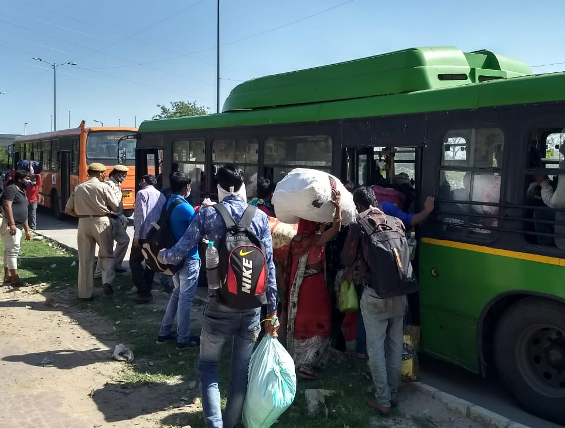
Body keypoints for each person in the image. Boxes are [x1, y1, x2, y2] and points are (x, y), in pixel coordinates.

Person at [157, 164, 278, 428]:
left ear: (219, 188)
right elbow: (269, 266)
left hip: (219, 305)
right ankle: (230, 423)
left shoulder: (208, 214)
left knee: (208, 366)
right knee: (240, 372)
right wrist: (273, 311)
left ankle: (215, 424)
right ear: (243, 186)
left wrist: (162, 255)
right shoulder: (260, 217)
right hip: (252, 306)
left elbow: (179, 252)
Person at [341, 186, 407, 415]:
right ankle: (394, 393)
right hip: (400, 292)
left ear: (358, 205)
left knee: (376, 348)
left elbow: (347, 257)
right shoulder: (396, 222)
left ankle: (383, 400)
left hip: (374, 293)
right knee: (395, 346)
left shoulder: (359, 223)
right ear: (376, 202)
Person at [286, 191, 342, 380]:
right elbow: (336, 228)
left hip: (300, 288)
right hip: (314, 286)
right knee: (319, 322)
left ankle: (299, 360)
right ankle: (308, 364)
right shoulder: (315, 240)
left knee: (303, 323)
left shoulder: (298, 240)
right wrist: (338, 208)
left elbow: (320, 232)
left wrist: (321, 223)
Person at [155, 172, 201, 346]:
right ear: (186, 187)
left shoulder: (169, 202)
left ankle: (164, 332)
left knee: (176, 294)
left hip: (174, 257)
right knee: (185, 299)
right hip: (189, 258)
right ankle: (183, 338)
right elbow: (199, 228)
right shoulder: (185, 207)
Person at [64, 163, 121, 300]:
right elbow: (116, 207)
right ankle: (107, 281)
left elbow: (68, 209)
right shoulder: (104, 187)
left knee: (85, 258)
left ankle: (84, 294)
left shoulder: (79, 187)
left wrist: (82, 216)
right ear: (100, 173)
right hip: (102, 221)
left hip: (83, 222)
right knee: (107, 254)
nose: (104, 175)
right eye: (103, 173)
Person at [129, 174, 166, 303]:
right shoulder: (161, 195)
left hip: (144, 235)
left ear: (143, 181)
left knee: (134, 262)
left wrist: (137, 236)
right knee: (150, 262)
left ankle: (143, 291)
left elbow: (140, 217)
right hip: (156, 235)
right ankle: (146, 289)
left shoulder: (142, 193)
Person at [95, 165, 130, 277]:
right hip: (109, 218)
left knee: (124, 240)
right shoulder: (108, 185)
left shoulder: (116, 184)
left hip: (117, 218)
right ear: (117, 174)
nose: (124, 177)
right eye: (123, 175)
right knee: (106, 246)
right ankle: (99, 272)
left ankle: (115, 264)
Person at [1, 169, 32, 286]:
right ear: (19, 179)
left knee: (9, 251)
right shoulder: (11, 189)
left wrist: (27, 230)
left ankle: (8, 276)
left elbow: (24, 211)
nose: (29, 181)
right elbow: (7, 205)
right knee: (13, 251)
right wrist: (12, 224)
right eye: (27, 179)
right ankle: (15, 278)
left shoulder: (22, 191)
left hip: (19, 226)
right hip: (11, 226)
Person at [24, 162, 43, 239]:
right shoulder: (28, 184)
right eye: (31, 179)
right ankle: (27, 226)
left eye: (34, 178)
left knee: (32, 214)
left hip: (33, 201)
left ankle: (33, 227)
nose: (33, 180)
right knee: (26, 214)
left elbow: (38, 176)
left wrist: (33, 169)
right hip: (26, 200)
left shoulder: (37, 184)